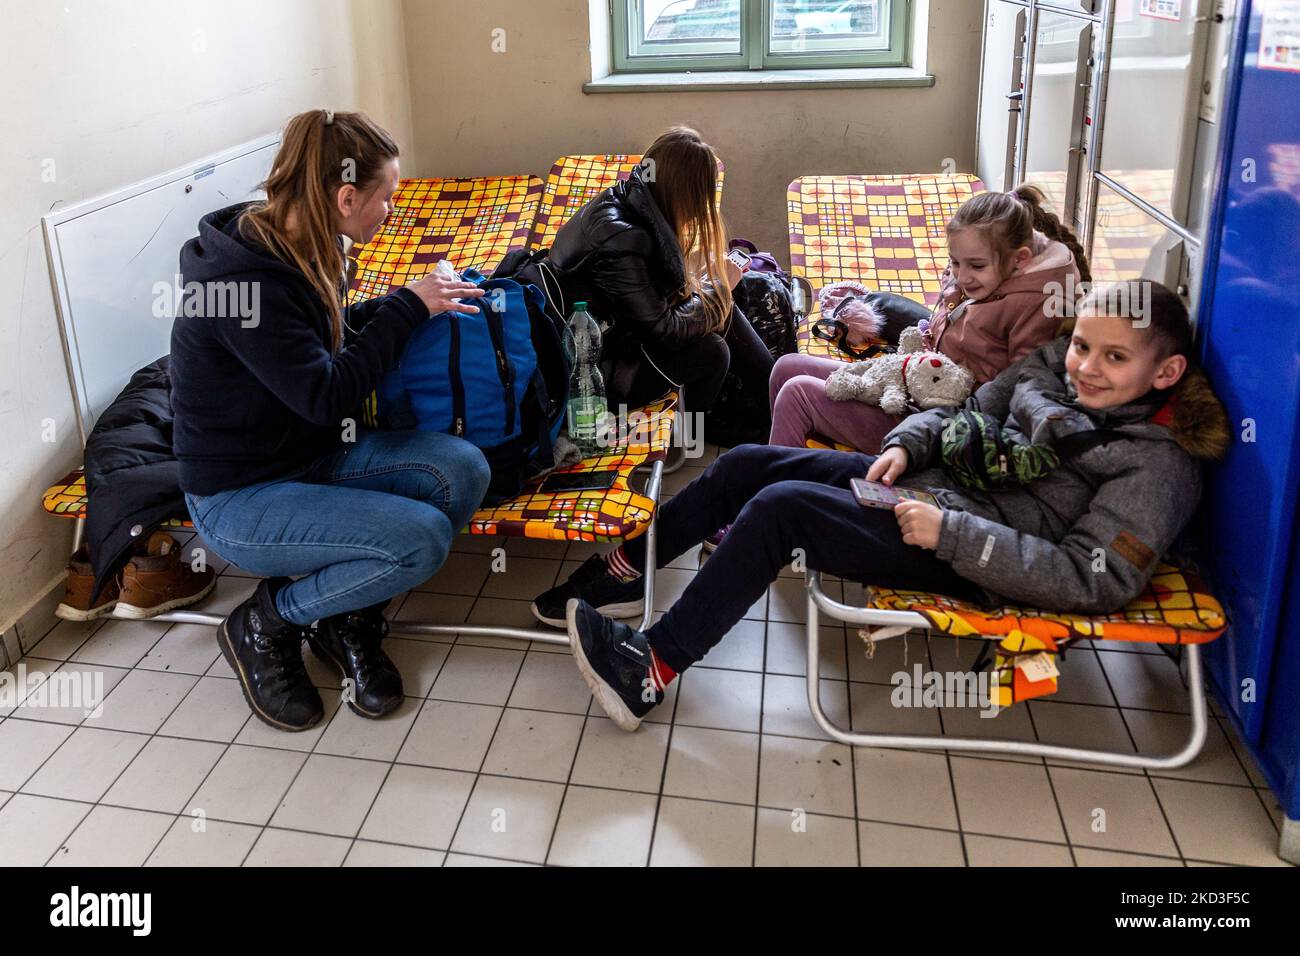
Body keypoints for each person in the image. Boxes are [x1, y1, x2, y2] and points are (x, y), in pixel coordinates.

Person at [532, 283, 1229, 730]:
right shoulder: (1050, 371)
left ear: (1164, 374)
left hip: (967, 549)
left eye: (1114, 359)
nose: (1085, 367)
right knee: (743, 463)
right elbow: (966, 409)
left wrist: (951, 533)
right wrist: (906, 445)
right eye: (1083, 345)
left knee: (780, 510)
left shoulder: (1156, 463)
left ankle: (648, 668)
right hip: (929, 489)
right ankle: (624, 572)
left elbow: (1092, 579)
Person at [170, 109, 490, 731]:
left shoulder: (305, 244)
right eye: (387, 197)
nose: (392, 210)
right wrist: (406, 307)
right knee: (421, 539)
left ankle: (345, 614)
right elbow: (326, 394)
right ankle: (266, 623)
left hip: (309, 457)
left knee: (464, 472)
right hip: (241, 495)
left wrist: (417, 305)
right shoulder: (248, 286)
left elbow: (323, 347)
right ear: (346, 197)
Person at [768, 184, 1090, 455]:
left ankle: (776, 500)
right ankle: (769, 461)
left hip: (938, 424)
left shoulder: (1034, 304)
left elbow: (1015, 397)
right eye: (955, 263)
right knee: (786, 367)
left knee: (798, 395)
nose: (963, 276)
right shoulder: (989, 281)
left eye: (975, 266)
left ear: (1019, 259)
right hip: (914, 386)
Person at [545, 127, 774, 421]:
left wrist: (708, 284)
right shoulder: (622, 239)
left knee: (720, 304)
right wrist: (718, 288)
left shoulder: (627, 200)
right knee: (713, 347)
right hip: (599, 375)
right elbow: (665, 332)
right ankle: (697, 434)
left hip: (618, 337)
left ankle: (777, 402)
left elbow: (645, 298)